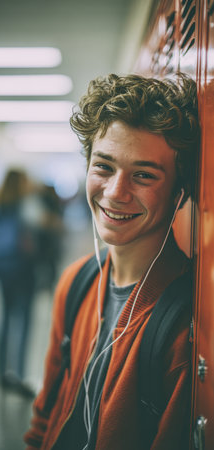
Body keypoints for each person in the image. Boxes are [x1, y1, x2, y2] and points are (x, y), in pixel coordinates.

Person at [24, 73, 199, 449]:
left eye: (143, 175)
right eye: (104, 166)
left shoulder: (185, 324)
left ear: (179, 193)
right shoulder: (77, 282)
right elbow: (45, 416)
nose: (116, 193)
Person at [0, 169, 37, 396]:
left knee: (4, 318)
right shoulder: (27, 205)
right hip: (23, 270)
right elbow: (35, 236)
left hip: (2, 269)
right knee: (23, 320)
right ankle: (19, 374)